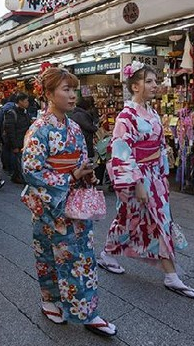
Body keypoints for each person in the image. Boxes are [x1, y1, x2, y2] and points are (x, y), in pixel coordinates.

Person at [21, 68, 117, 336]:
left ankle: (88, 312)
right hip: (49, 205)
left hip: (73, 203)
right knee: (48, 256)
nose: (73, 95)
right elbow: (31, 171)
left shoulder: (73, 126)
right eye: (66, 89)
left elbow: (80, 160)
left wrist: (87, 176)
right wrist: (71, 176)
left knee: (80, 257)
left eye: (74, 89)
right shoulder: (38, 129)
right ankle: (49, 299)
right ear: (49, 94)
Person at [98, 62, 194, 299]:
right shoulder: (126, 116)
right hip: (140, 176)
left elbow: (160, 146)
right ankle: (171, 275)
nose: (155, 85)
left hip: (154, 174)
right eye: (150, 81)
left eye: (156, 81)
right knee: (153, 219)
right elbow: (121, 151)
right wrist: (138, 183)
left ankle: (108, 253)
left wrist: (163, 174)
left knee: (135, 218)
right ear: (135, 86)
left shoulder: (151, 112)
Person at [3, 92, 31, 184]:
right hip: (18, 142)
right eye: (26, 101)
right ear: (20, 101)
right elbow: (10, 131)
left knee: (21, 161)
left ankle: (16, 176)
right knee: (19, 162)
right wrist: (14, 145)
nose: (28, 103)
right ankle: (21, 178)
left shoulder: (25, 112)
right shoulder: (12, 113)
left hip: (24, 141)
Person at [0, 94, 17, 174]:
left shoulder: (3, 108)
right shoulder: (15, 108)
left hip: (4, 132)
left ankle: (6, 167)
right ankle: (12, 169)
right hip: (14, 131)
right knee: (12, 150)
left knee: (5, 149)